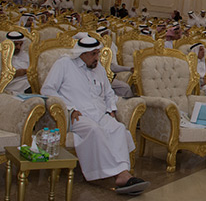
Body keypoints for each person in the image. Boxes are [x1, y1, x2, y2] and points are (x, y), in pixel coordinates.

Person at [41, 35, 149, 195]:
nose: (97, 57)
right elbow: (47, 89)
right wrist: (69, 108)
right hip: (76, 116)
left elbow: (109, 93)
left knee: (118, 129)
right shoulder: (64, 64)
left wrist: (111, 109)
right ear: (82, 53)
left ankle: (123, 172)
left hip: (99, 113)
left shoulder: (98, 68)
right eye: (93, 54)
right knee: (94, 130)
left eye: (97, 53)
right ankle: (120, 176)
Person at [96, 27, 133, 97]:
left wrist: (129, 68)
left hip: (107, 76)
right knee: (124, 87)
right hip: (98, 79)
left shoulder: (110, 45)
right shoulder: (99, 47)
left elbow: (111, 66)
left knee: (124, 88)